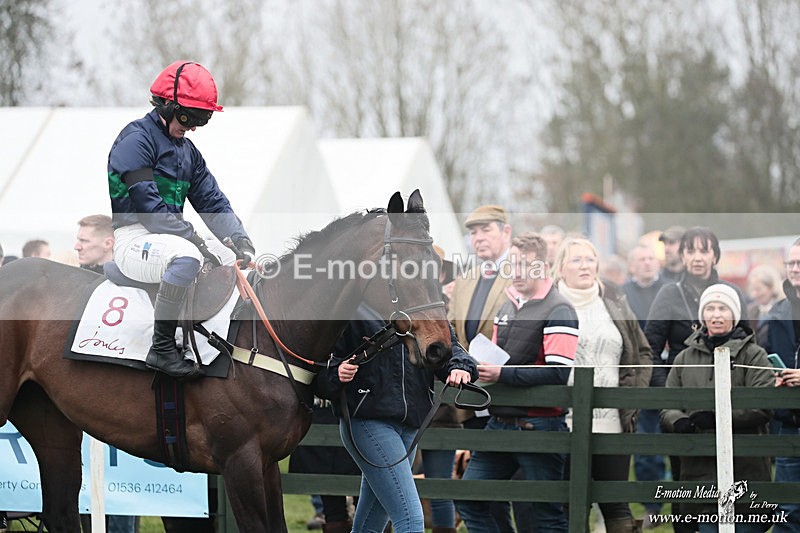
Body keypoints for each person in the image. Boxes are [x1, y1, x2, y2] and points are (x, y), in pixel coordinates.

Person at [107, 60, 255, 379]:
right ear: (168, 104)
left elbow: (213, 201)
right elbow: (150, 208)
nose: (193, 127)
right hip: (135, 237)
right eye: (190, 118)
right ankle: (162, 348)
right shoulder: (135, 140)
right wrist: (196, 241)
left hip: (168, 238)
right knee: (187, 255)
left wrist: (240, 240)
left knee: (234, 257)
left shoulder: (188, 152)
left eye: (202, 120)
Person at [314, 304, 478, 533]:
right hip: (368, 421)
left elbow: (451, 349)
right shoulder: (353, 309)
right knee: (410, 519)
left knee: (371, 524)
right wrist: (336, 372)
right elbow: (320, 371)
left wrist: (460, 367)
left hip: (410, 426)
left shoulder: (422, 305)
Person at [455, 232, 578, 533]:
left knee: (546, 515)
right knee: (468, 497)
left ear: (544, 266)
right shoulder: (507, 305)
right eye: (512, 264)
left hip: (541, 425)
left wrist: (501, 375)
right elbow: (496, 357)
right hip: (499, 421)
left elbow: (558, 372)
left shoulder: (560, 309)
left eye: (525, 265)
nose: (517, 272)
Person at [645, 226, 748, 533]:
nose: (697, 257)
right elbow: (649, 348)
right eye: (691, 250)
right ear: (682, 255)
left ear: (715, 255)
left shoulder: (731, 294)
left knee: (729, 478)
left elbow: (748, 342)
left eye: (704, 250)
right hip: (684, 401)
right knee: (685, 484)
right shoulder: (669, 294)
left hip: (727, 400)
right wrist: (670, 397)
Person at [552, 236, 652, 533]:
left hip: (613, 422)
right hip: (564, 422)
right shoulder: (549, 305)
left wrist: (631, 397)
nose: (585, 266)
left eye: (590, 259)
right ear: (560, 268)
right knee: (569, 505)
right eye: (576, 260)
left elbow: (642, 352)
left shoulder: (615, 302)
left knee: (616, 505)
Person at [660, 284, 773, 533]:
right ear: (702, 315)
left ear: (734, 314)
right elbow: (668, 402)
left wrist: (717, 418)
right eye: (710, 308)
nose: (716, 314)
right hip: (699, 468)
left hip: (745, 467)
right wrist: (678, 420)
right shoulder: (684, 358)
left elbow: (762, 405)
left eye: (723, 308)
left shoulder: (754, 355)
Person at [622, 243, 667, 527]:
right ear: (632, 265)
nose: (648, 263)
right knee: (644, 445)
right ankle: (651, 506)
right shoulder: (622, 294)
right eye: (642, 259)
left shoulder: (669, 290)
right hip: (637, 376)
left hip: (667, 374)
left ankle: (686, 503)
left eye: (651, 258)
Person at [764, 238, 800, 533]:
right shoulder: (775, 314)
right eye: (791, 263)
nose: (795, 268)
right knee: (787, 511)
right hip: (789, 424)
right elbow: (761, 361)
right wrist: (772, 378)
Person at [746, 264, 784, 347]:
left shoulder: (785, 310)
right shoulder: (750, 311)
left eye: (758, 289)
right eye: (752, 289)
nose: (754, 294)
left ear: (772, 287)